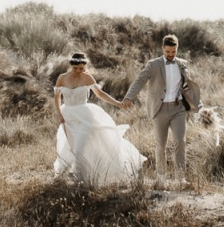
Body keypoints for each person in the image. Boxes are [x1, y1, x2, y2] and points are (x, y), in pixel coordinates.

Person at [54, 52, 146, 186]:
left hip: (85, 116)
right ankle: (63, 180)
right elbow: (56, 98)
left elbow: (100, 94)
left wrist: (117, 103)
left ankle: (82, 182)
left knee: (79, 149)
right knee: (69, 148)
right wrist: (60, 115)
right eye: (76, 68)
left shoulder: (87, 78)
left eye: (82, 68)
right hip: (68, 117)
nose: (79, 71)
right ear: (70, 66)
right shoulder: (62, 78)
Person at [123, 34, 203, 187]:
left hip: (178, 108)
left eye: (173, 52)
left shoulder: (183, 64)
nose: (171, 55)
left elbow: (187, 87)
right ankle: (161, 177)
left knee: (180, 141)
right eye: (168, 52)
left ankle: (180, 178)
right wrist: (129, 97)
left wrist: (199, 105)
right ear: (162, 49)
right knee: (161, 144)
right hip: (159, 109)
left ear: (177, 49)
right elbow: (140, 80)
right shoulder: (153, 65)